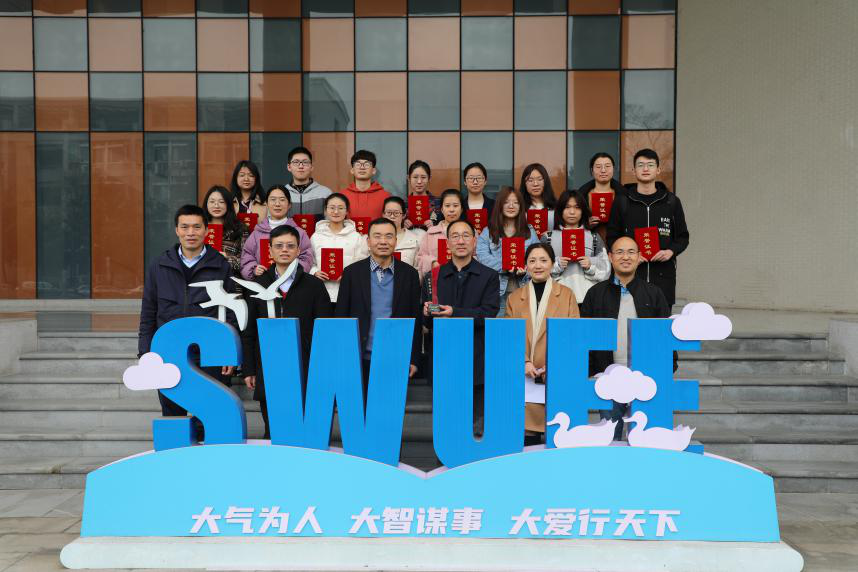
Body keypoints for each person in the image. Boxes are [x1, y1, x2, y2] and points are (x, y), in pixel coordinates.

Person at [138, 205, 235, 442]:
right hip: (169, 352)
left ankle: (206, 462)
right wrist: (145, 353)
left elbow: (230, 311)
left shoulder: (221, 265)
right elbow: (148, 312)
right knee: (173, 416)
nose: (191, 232)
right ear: (176, 230)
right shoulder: (159, 265)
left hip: (208, 352)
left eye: (196, 227)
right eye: (185, 227)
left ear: (206, 230)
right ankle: (176, 461)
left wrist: (229, 352)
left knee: (209, 417)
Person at [241, 224, 332, 439]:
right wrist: (249, 368)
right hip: (268, 364)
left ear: (299, 250)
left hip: (305, 365)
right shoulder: (257, 286)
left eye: (290, 246)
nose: (284, 250)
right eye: (279, 246)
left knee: (305, 430)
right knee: (273, 431)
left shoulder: (314, 285)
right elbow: (249, 330)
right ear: (270, 250)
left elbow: (325, 329)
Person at [580, 236, 672, 440]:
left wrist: (667, 370)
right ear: (610, 257)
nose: (625, 257)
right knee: (610, 439)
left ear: (639, 257)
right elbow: (585, 337)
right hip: (607, 378)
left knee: (643, 440)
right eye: (619, 252)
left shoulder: (653, 294)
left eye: (631, 252)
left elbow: (665, 337)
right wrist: (591, 372)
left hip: (645, 378)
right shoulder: (595, 294)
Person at [421, 219, 500, 427]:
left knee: (476, 424)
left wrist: (454, 313)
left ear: (474, 241)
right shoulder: (433, 276)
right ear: (447, 243)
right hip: (443, 357)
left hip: (476, 357)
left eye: (466, 235)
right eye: (455, 236)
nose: (461, 241)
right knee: (446, 422)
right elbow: (427, 323)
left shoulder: (489, 276)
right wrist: (427, 313)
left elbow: (489, 314)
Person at [505, 243, 579, 445]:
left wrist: (552, 364)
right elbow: (510, 337)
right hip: (526, 377)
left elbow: (573, 336)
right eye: (532, 261)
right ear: (525, 265)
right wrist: (524, 362)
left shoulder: (567, 295)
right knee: (528, 440)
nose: (538, 265)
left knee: (559, 436)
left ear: (553, 263)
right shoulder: (514, 298)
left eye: (543, 260)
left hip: (556, 375)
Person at [335, 218, 422, 391]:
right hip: (358, 356)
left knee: (390, 406)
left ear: (396, 241)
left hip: (395, 355)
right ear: (368, 241)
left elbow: (415, 319)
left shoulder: (409, 274)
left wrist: (413, 358)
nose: (383, 241)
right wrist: (341, 355)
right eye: (377, 236)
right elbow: (341, 316)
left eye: (389, 236)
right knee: (359, 405)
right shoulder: (352, 273)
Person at [606, 148, 689, 307]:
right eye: (640, 165)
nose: (645, 169)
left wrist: (670, 251)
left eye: (650, 165)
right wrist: (628, 255)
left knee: (660, 320)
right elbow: (612, 237)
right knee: (628, 318)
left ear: (658, 169)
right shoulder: (622, 202)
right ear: (633, 170)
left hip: (663, 276)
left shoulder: (671, 201)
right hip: (630, 275)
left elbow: (682, 237)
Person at [475, 186, 540, 316]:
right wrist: (504, 266)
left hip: (524, 289)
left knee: (524, 326)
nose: (511, 206)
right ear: (500, 205)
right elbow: (482, 256)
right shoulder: (489, 231)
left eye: (515, 202)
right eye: (506, 202)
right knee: (499, 326)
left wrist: (526, 269)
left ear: (521, 206)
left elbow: (538, 255)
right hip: (496, 291)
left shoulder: (529, 231)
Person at [547, 190, 610, 307]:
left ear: (583, 211)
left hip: (588, 298)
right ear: (560, 210)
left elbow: (606, 269)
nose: (572, 212)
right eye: (567, 207)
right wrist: (557, 265)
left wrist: (590, 265)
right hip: (556, 297)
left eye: (577, 207)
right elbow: (538, 268)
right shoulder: (548, 237)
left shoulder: (593, 237)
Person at [240, 185, 314, 279]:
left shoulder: (299, 233)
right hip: (264, 283)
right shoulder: (257, 233)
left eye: (282, 200)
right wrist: (254, 268)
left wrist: (292, 271)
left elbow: (306, 258)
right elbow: (247, 256)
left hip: (292, 283)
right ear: (266, 204)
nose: (277, 204)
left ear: (289, 205)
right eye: (273, 199)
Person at [309, 193, 368, 304]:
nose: (336, 212)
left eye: (340, 208)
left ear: (347, 211)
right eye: (332, 208)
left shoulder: (356, 237)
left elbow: (363, 263)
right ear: (325, 211)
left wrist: (350, 275)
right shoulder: (316, 237)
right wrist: (315, 272)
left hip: (348, 292)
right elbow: (310, 262)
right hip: (321, 292)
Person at [577, 152, 626, 240]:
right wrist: (585, 224)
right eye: (598, 167)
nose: (603, 170)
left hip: (619, 241)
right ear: (592, 170)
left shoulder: (623, 194)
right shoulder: (582, 195)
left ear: (613, 169)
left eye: (607, 166)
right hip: (589, 241)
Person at [416, 189, 463, 278]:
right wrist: (433, 262)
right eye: (447, 206)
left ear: (461, 209)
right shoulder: (431, 232)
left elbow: (476, 256)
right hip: (437, 278)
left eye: (455, 206)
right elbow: (421, 257)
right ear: (441, 209)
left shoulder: (470, 231)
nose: (451, 210)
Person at [201, 185, 249, 274]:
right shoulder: (199, 228)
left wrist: (227, 258)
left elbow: (246, 262)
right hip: (201, 277)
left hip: (229, 278)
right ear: (206, 204)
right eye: (212, 201)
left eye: (221, 202)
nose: (216, 205)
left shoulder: (240, 229)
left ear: (228, 204)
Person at [340, 150, 391, 220]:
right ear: (352, 170)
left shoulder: (385, 196)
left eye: (367, 164)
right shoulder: (342, 196)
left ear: (374, 171)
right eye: (358, 164)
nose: (362, 167)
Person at [284, 146, 332, 219]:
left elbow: (331, 222)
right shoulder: (282, 193)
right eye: (296, 162)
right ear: (289, 167)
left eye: (305, 162)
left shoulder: (325, 193)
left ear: (311, 167)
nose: (301, 166)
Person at [403, 160, 440, 236]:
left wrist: (435, 225)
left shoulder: (438, 203)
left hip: (432, 240)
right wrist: (402, 223)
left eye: (423, 177)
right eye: (415, 177)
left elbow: (445, 226)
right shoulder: (403, 204)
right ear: (408, 178)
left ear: (429, 178)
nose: (419, 181)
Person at [383, 196, 420, 269]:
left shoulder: (415, 240)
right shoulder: (374, 239)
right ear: (383, 214)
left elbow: (418, 269)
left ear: (403, 215)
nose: (392, 216)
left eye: (396, 213)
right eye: (389, 213)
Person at [519, 163, 556, 231]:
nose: (535, 184)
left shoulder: (556, 207)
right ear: (524, 183)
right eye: (530, 180)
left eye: (539, 179)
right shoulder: (519, 207)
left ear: (545, 182)